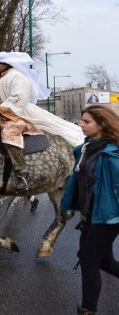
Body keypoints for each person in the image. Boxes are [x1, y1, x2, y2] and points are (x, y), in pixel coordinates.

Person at [0, 51, 84, 192]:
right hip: (0, 113)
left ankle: (22, 173)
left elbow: (18, 98)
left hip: (19, 113)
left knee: (9, 133)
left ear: (3, 63)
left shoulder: (18, 77)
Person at [61, 105, 119, 315]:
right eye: (81, 120)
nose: (81, 124)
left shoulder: (112, 153)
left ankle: (88, 309)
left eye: (87, 122)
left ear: (102, 124)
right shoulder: (87, 148)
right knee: (105, 261)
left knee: (88, 258)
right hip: (91, 214)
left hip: (108, 217)